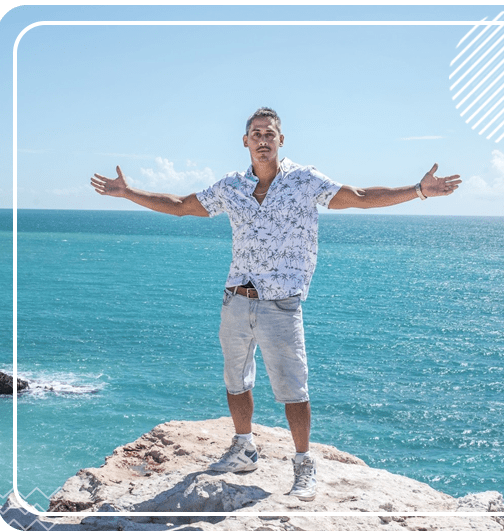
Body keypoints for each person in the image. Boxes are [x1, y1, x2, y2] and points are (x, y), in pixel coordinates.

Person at [90, 107, 461, 501]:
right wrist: (127, 192)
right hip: (237, 297)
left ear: (281, 140)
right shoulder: (230, 187)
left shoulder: (304, 181)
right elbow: (181, 205)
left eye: (269, 133)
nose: (262, 139)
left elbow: (360, 197)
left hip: (280, 303)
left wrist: (418, 191)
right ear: (245, 141)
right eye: (255, 133)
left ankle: (303, 465)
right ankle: (244, 448)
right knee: (236, 380)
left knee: (293, 389)